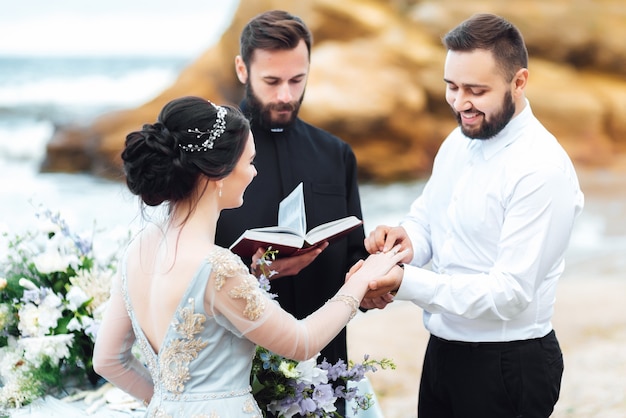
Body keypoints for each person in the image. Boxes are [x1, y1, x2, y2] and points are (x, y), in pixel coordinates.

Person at [92, 96, 406, 416]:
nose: (254, 173)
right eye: (250, 161)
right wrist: (363, 278)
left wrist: (173, 405)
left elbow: (108, 360)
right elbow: (302, 342)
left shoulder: (137, 248)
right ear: (218, 173)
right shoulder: (217, 266)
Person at [361, 14, 585, 418]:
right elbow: (428, 220)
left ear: (519, 82)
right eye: (452, 86)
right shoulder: (459, 139)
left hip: (507, 366)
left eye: (476, 90)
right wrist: (404, 243)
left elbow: (509, 294)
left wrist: (406, 282)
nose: (460, 102)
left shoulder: (541, 168)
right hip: (443, 352)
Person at [215, 10, 368, 376]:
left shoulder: (336, 154)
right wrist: (253, 276)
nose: (286, 95)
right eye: (272, 81)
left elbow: (355, 255)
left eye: (297, 80)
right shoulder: (214, 158)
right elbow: (183, 271)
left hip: (326, 369)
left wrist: (375, 277)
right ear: (242, 70)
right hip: (239, 368)